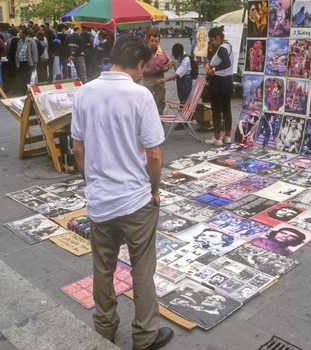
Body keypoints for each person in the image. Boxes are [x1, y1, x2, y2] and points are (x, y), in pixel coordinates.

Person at [71, 34, 173, 350]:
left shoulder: (84, 93)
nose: (144, 73)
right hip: (136, 200)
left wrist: (92, 182)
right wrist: (155, 190)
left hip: (101, 201)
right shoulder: (139, 96)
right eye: (145, 67)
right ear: (139, 64)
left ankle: (104, 328)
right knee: (142, 267)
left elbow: (78, 147)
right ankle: (144, 335)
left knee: (103, 268)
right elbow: (154, 155)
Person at [205, 26, 234, 146]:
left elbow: (226, 63)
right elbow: (215, 60)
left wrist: (214, 70)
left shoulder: (222, 48)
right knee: (227, 109)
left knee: (216, 110)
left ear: (217, 38)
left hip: (218, 82)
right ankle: (227, 136)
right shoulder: (227, 46)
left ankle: (217, 138)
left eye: (211, 40)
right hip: (227, 81)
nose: (211, 43)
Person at [142, 29, 171, 115]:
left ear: (159, 41)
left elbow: (169, 64)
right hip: (147, 79)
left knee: (160, 99)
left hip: (159, 78)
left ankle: (160, 117)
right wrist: (147, 70)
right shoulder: (144, 51)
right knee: (147, 100)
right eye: (152, 41)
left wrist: (163, 68)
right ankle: (148, 117)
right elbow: (139, 66)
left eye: (156, 41)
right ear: (148, 40)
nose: (154, 43)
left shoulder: (162, 51)